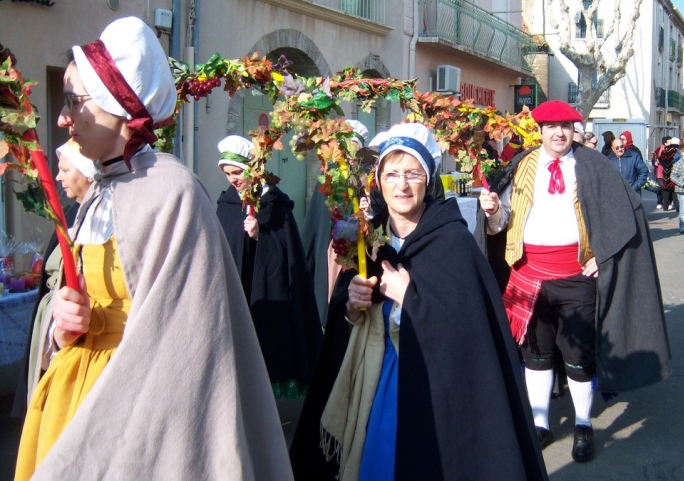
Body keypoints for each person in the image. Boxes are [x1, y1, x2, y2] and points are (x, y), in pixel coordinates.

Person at [15, 17, 292, 480]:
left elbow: (182, 345)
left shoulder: (171, 190)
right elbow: (81, 304)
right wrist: (61, 326)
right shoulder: (101, 192)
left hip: (132, 408)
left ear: (116, 105)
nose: (62, 118)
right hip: (73, 398)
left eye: (72, 101)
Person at [289, 123, 548, 480]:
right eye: (391, 173)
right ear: (378, 181)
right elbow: (342, 328)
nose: (402, 185)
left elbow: (469, 337)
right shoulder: (369, 239)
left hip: (432, 388)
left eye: (413, 173)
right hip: (375, 380)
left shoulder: (452, 241)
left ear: (429, 180)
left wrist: (411, 299)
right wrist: (350, 307)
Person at [477, 100, 670, 463]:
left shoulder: (592, 165)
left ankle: (583, 424)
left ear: (574, 129)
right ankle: (540, 424)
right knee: (535, 356)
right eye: (551, 126)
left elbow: (626, 212)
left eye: (566, 125)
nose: (559, 132)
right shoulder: (521, 166)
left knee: (578, 357)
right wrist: (492, 212)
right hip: (526, 275)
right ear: (540, 130)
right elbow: (501, 224)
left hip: (575, 275)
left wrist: (605, 252)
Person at [216, 134, 323, 399]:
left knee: (268, 342)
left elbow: (288, 253)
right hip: (238, 288)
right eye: (228, 173)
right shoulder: (226, 204)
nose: (232, 179)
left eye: (237, 171)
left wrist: (259, 235)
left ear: (253, 169)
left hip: (268, 287)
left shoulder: (276, 205)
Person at [12, 140, 98, 418]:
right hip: (53, 321)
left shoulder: (102, 218)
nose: (59, 176)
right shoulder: (70, 215)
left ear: (87, 173)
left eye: (64, 169)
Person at [301, 120, 369, 326]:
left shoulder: (369, 178)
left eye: (354, 151)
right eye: (345, 151)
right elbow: (318, 220)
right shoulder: (329, 179)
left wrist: (367, 209)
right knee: (334, 301)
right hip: (335, 250)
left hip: (361, 252)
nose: (349, 157)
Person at [658, 138, 680, 212]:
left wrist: (665, 165)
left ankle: (665, 206)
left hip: (667, 172)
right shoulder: (679, 149)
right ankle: (677, 207)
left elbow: (660, 160)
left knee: (666, 189)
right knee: (675, 190)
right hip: (676, 172)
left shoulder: (666, 149)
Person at [653, 136, 672, 208]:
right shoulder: (658, 150)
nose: (671, 143)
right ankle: (659, 202)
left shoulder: (672, 150)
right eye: (669, 142)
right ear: (665, 143)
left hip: (668, 171)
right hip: (660, 172)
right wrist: (654, 163)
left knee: (668, 188)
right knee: (659, 187)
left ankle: (668, 202)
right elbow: (654, 159)